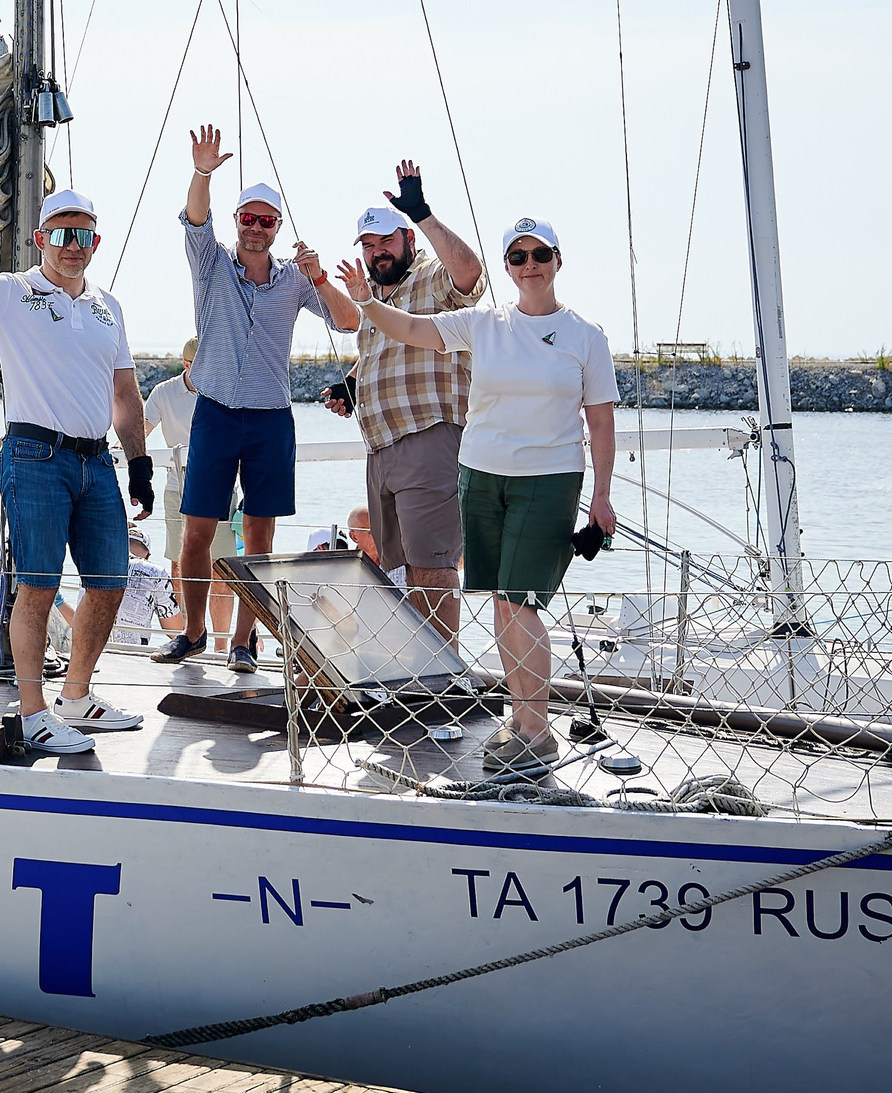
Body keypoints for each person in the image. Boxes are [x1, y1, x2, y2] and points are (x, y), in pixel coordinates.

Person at [337, 217, 617, 776]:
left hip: (549, 479)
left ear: (558, 261)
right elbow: (412, 329)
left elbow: (601, 421)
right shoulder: (484, 323)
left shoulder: (587, 336)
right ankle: (520, 717)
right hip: (481, 476)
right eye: (518, 257)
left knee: (522, 599)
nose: (529, 265)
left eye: (540, 254)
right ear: (509, 267)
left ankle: (537, 731)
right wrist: (366, 302)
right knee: (499, 600)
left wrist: (601, 500)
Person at [0, 167, 155, 757]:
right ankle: (32, 714)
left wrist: (141, 463)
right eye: (61, 234)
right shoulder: (11, 293)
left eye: (84, 237)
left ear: (96, 243)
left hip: (97, 461)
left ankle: (76, 698)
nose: (72, 246)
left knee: (109, 583)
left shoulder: (109, 307)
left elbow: (125, 393)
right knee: (38, 586)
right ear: (39, 239)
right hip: (35, 455)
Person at [156, 125, 350, 674]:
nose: (257, 228)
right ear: (238, 222)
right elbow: (195, 219)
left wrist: (322, 278)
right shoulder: (212, 264)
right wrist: (202, 173)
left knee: (259, 538)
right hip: (215, 414)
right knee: (197, 533)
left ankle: (244, 641)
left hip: (270, 420)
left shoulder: (294, 281)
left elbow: (348, 320)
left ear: (278, 227)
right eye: (249, 218)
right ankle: (195, 632)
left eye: (267, 221)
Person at [312, 164, 484, 645]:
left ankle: (441, 682)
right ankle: (416, 674)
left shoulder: (431, 276)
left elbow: (471, 277)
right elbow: (378, 357)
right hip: (382, 449)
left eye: (385, 241)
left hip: (429, 436)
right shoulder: (373, 296)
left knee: (432, 567)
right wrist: (352, 386)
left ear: (408, 239)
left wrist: (423, 212)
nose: (376, 252)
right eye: (367, 245)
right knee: (401, 573)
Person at [142, 338, 238, 650]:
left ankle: (222, 646)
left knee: (222, 568)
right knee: (179, 564)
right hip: (177, 488)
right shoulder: (165, 392)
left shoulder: (230, 387)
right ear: (187, 365)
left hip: (222, 486)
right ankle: (187, 638)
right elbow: (139, 431)